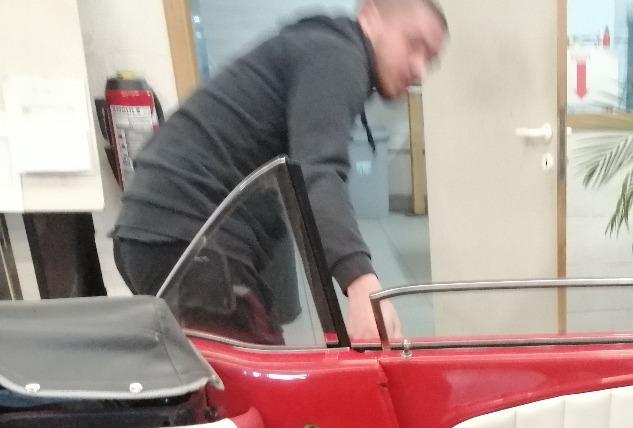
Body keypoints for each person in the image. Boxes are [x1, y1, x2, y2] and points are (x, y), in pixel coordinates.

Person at [112, 0, 448, 341]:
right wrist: (362, 283)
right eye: (413, 44)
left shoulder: (317, 47)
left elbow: (300, 185)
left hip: (156, 234)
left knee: (219, 368)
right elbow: (319, 172)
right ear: (371, 17)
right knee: (260, 374)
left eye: (430, 59)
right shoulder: (337, 54)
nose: (420, 68)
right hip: (185, 238)